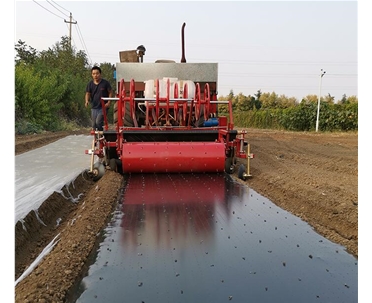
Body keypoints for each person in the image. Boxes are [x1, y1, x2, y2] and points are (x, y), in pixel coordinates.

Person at [85, 66, 113, 131]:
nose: (95, 75)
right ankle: (97, 138)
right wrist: (86, 101)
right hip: (94, 107)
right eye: (94, 74)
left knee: (98, 122)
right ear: (92, 75)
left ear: (100, 74)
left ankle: (101, 135)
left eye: (97, 73)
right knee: (94, 125)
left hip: (103, 107)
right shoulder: (90, 84)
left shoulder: (105, 83)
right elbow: (87, 93)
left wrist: (109, 102)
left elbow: (110, 92)